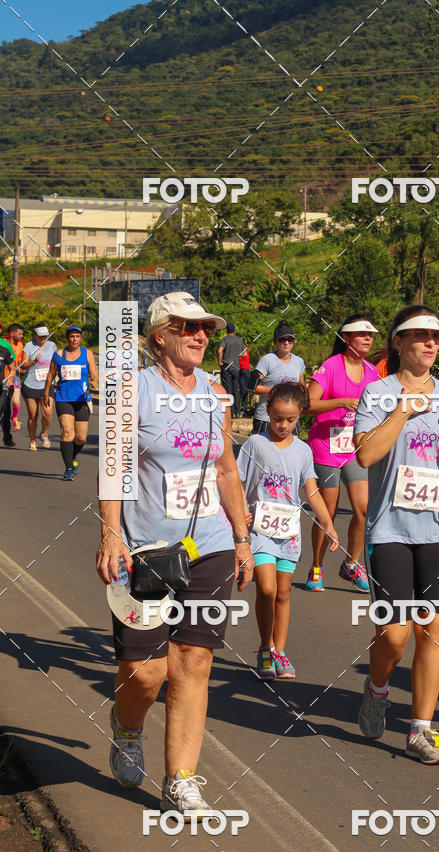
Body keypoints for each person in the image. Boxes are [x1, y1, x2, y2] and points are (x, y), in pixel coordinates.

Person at [96, 291, 253, 815]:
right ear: (159, 334)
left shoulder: (214, 392)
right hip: (146, 549)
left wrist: (241, 537)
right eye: (186, 326)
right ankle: (127, 726)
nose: (200, 335)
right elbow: (114, 466)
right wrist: (111, 533)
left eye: (205, 327)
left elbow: (226, 469)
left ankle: (181, 779)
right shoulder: (131, 389)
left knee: (195, 660)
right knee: (146, 671)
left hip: (208, 546)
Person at [353, 305, 439, 764]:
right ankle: (377, 688)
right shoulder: (376, 393)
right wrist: (401, 410)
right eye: (420, 336)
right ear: (398, 342)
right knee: (395, 635)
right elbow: (364, 455)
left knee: (431, 630)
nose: (431, 343)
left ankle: (421, 729)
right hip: (391, 527)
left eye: (436, 337)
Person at [237, 383, 338, 680]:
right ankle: (265, 647)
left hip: (288, 533)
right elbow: (238, 483)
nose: (283, 425)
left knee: (283, 593)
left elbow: (311, 491)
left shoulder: (304, 450)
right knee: (266, 589)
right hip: (259, 530)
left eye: (291, 420)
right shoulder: (255, 444)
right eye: (278, 418)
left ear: (299, 418)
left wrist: (328, 524)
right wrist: (239, 514)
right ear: (268, 411)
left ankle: (279, 650)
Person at [304, 314, 379, 592]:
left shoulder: (373, 371)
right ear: (346, 338)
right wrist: (341, 402)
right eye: (361, 334)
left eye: (370, 335)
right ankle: (316, 566)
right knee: (329, 511)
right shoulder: (331, 366)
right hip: (326, 446)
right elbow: (307, 404)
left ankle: (351, 564)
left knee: (363, 510)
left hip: (355, 448)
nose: (367, 339)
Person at [43, 325, 98, 480]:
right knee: (67, 432)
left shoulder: (87, 353)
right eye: (72, 336)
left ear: (80, 338)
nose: (74, 339)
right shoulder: (59, 354)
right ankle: (68, 467)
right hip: (63, 398)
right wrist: (46, 393)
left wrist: (94, 381)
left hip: (82, 399)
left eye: (77, 336)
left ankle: (70, 457)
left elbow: (94, 373)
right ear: (68, 338)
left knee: (81, 438)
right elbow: (50, 375)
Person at [250, 320, 305, 435]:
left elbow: (301, 388)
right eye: (282, 339)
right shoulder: (267, 360)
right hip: (266, 418)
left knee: (292, 452)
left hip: (291, 419)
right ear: (275, 341)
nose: (286, 343)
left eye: (290, 339)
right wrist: (277, 391)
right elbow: (251, 387)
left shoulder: (299, 362)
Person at [20, 324, 56, 451]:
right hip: (30, 385)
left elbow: (56, 362)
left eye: (45, 336)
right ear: (35, 335)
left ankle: (44, 434)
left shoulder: (52, 346)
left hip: (47, 384)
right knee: (33, 415)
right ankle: (32, 440)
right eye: (40, 336)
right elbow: (23, 366)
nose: (43, 338)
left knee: (48, 412)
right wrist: (34, 361)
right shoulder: (29, 346)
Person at [217, 322, 245, 418]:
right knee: (235, 390)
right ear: (234, 330)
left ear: (226, 330)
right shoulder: (239, 340)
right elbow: (244, 354)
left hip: (227, 365)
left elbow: (219, 351)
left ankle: (230, 412)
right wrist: (236, 355)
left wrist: (220, 362)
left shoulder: (225, 339)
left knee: (227, 389)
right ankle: (237, 412)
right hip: (236, 367)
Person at [6, 323, 24, 432]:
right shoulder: (3, 343)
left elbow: (21, 361)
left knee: (16, 401)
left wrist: (22, 367)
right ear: (12, 334)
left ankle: (14, 417)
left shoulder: (21, 345)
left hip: (15, 376)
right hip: (3, 375)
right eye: (20, 334)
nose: (22, 336)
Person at [0, 330, 15, 447]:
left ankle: (7, 436)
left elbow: (12, 365)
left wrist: (10, 379)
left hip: (3, 385)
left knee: (5, 409)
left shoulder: (5, 346)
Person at [238, 335, 251, 415]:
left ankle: (244, 408)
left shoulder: (242, 346)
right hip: (239, 369)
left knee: (244, 389)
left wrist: (235, 354)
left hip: (244, 369)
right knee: (239, 389)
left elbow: (245, 354)